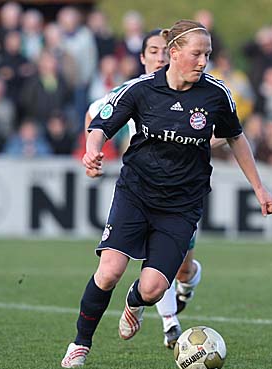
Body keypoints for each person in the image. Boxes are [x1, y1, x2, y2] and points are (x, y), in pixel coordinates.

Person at [61, 20, 272, 368]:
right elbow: (100, 124)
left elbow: (235, 137)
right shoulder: (141, 90)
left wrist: (259, 187)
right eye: (196, 54)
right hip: (136, 194)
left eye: (207, 54)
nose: (203, 61)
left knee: (152, 289)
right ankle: (80, 344)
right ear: (174, 53)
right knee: (110, 270)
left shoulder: (216, 94)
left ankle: (134, 302)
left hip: (181, 205)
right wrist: (93, 150)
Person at [81, 29, 204, 350]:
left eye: (165, 51)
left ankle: (188, 282)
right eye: (153, 51)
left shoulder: (197, 92)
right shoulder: (133, 89)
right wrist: (93, 154)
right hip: (141, 188)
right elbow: (94, 114)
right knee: (136, 265)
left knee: (182, 268)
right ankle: (170, 323)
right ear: (142, 57)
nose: (160, 57)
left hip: (181, 190)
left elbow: (223, 133)